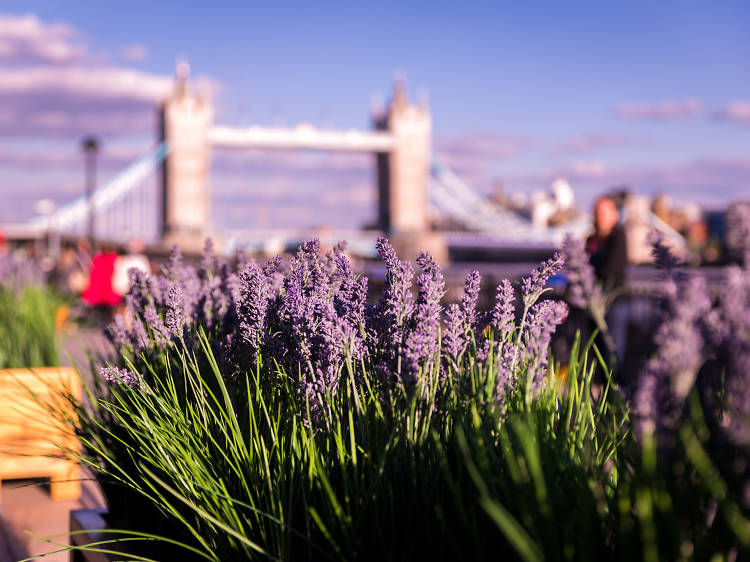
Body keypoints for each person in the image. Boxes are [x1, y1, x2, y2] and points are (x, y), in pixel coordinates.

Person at [586, 196, 628, 292]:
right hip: (589, 293)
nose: (600, 217)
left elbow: (611, 270)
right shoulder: (591, 239)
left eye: (603, 214)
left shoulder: (618, 237)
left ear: (614, 215)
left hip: (611, 295)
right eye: (597, 213)